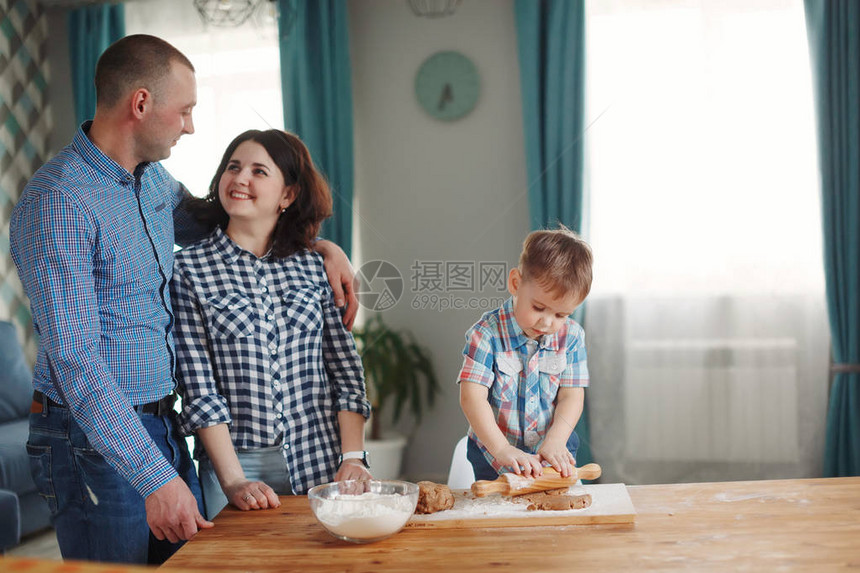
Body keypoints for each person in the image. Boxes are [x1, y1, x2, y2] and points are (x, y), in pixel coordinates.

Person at [9, 34, 356, 565]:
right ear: (141, 104)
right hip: (88, 436)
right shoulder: (59, 201)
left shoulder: (153, 183)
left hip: (160, 422)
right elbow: (77, 361)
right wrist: (153, 477)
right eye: (185, 110)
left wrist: (322, 247)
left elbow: (229, 221)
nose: (190, 125)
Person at [170, 129, 372, 519]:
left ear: (288, 195)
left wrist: (354, 458)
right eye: (233, 167)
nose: (240, 178)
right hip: (235, 464)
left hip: (323, 459)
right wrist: (233, 481)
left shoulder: (316, 268)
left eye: (259, 171)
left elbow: (346, 373)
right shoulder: (187, 270)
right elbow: (199, 390)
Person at [458, 227, 592, 481]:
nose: (547, 322)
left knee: (556, 512)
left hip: (553, 447)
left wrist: (555, 440)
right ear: (516, 283)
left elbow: (571, 396)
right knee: (500, 516)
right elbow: (472, 398)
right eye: (539, 307)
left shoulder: (572, 337)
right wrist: (502, 449)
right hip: (494, 455)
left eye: (561, 315)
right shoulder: (485, 335)